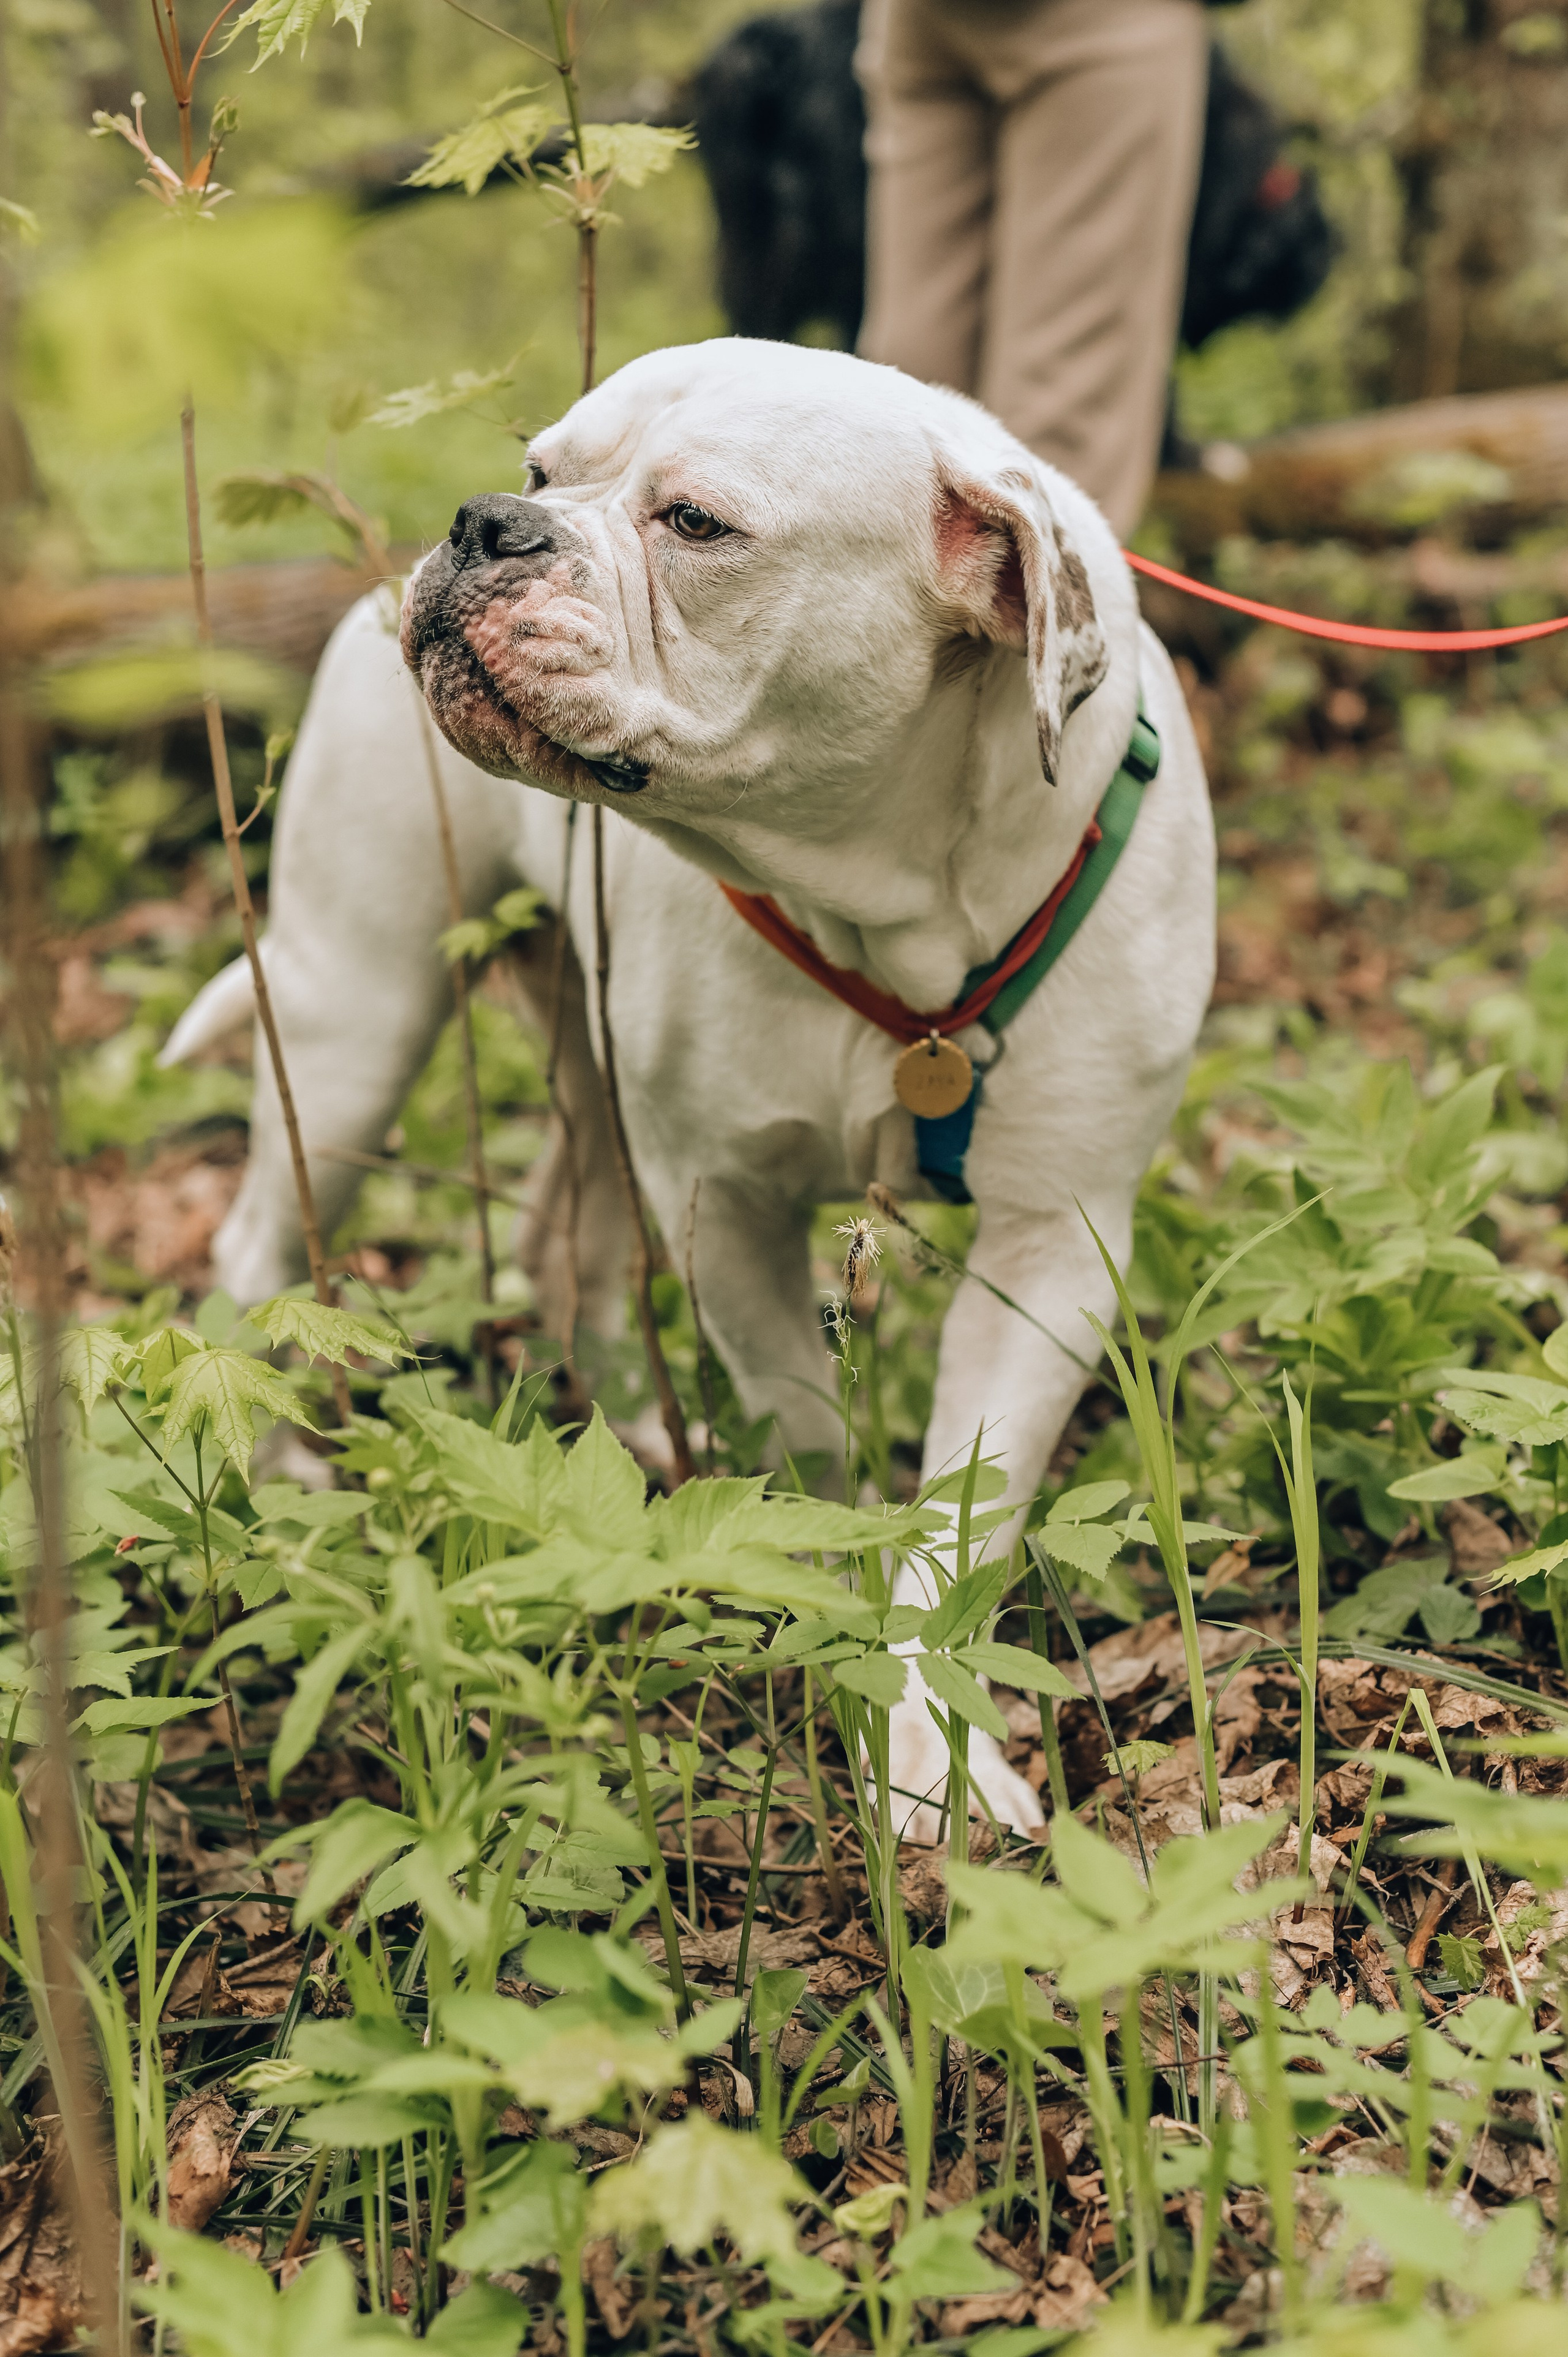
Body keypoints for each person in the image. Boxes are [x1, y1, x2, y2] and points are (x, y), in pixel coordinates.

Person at [855, 0, 1210, 538]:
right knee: (1056, 432)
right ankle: (1038, 609)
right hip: (1099, 22)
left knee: (910, 399)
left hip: (922, 19)